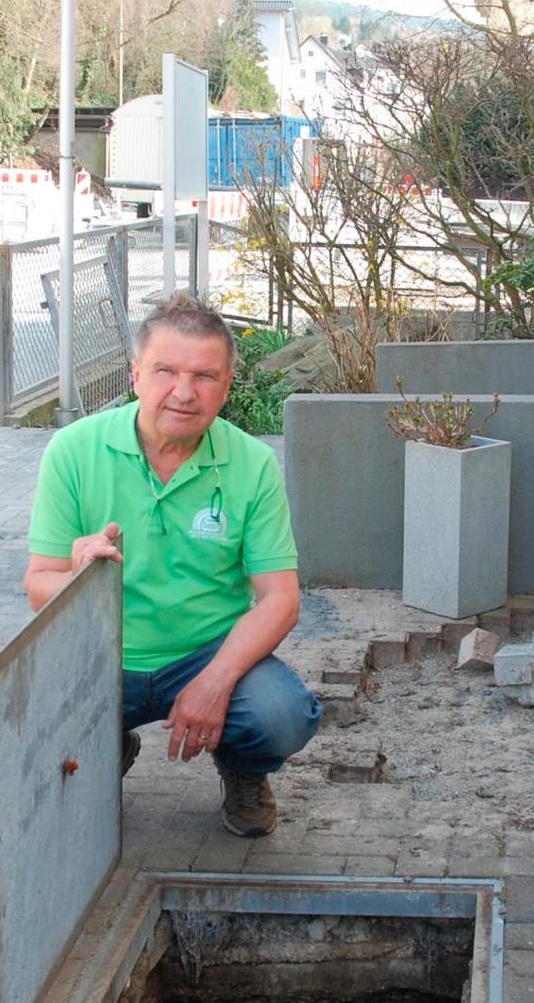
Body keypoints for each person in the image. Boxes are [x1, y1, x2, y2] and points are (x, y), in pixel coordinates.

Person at [24, 295, 321, 838]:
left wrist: (216, 681)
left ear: (227, 385)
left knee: (279, 717)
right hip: (98, 654)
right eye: (166, 371)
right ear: (136, 375)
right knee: (7, 757)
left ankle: (244, 768)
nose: (184, 393)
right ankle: (107, 742)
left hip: (204, 652)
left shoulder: (251, 464)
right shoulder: (73, 450)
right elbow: (38, 584)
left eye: (205, 376)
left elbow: (280, 598)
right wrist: (77, 576)